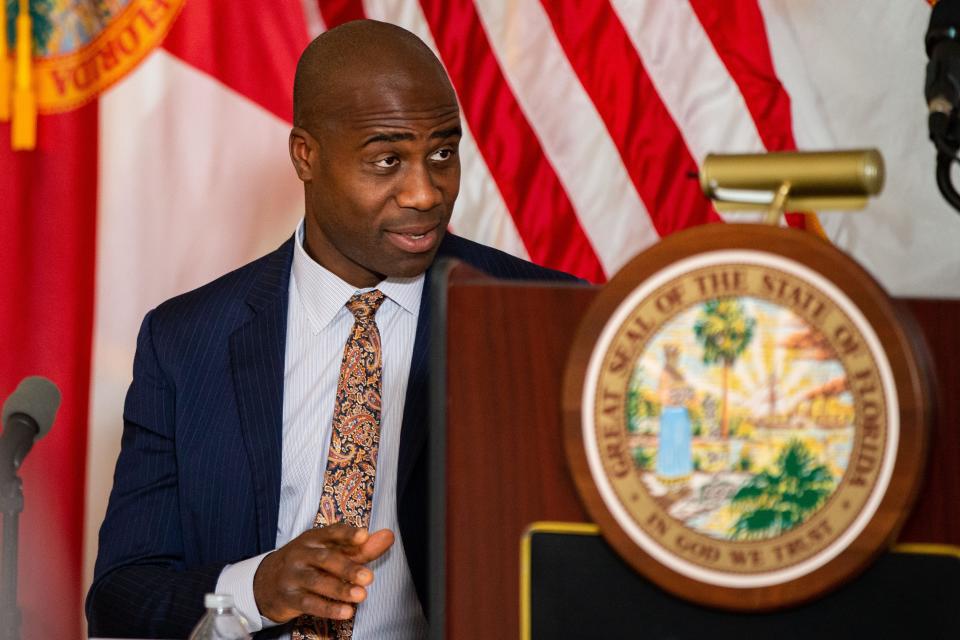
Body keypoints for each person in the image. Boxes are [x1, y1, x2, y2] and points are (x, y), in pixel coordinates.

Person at [86, 19, 578, 639]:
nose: (425, 192)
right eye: (387, 160)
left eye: (443, 153)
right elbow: (121, 597)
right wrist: (256, 589)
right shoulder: (186, 341)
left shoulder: (545, 316)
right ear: (306, 156)